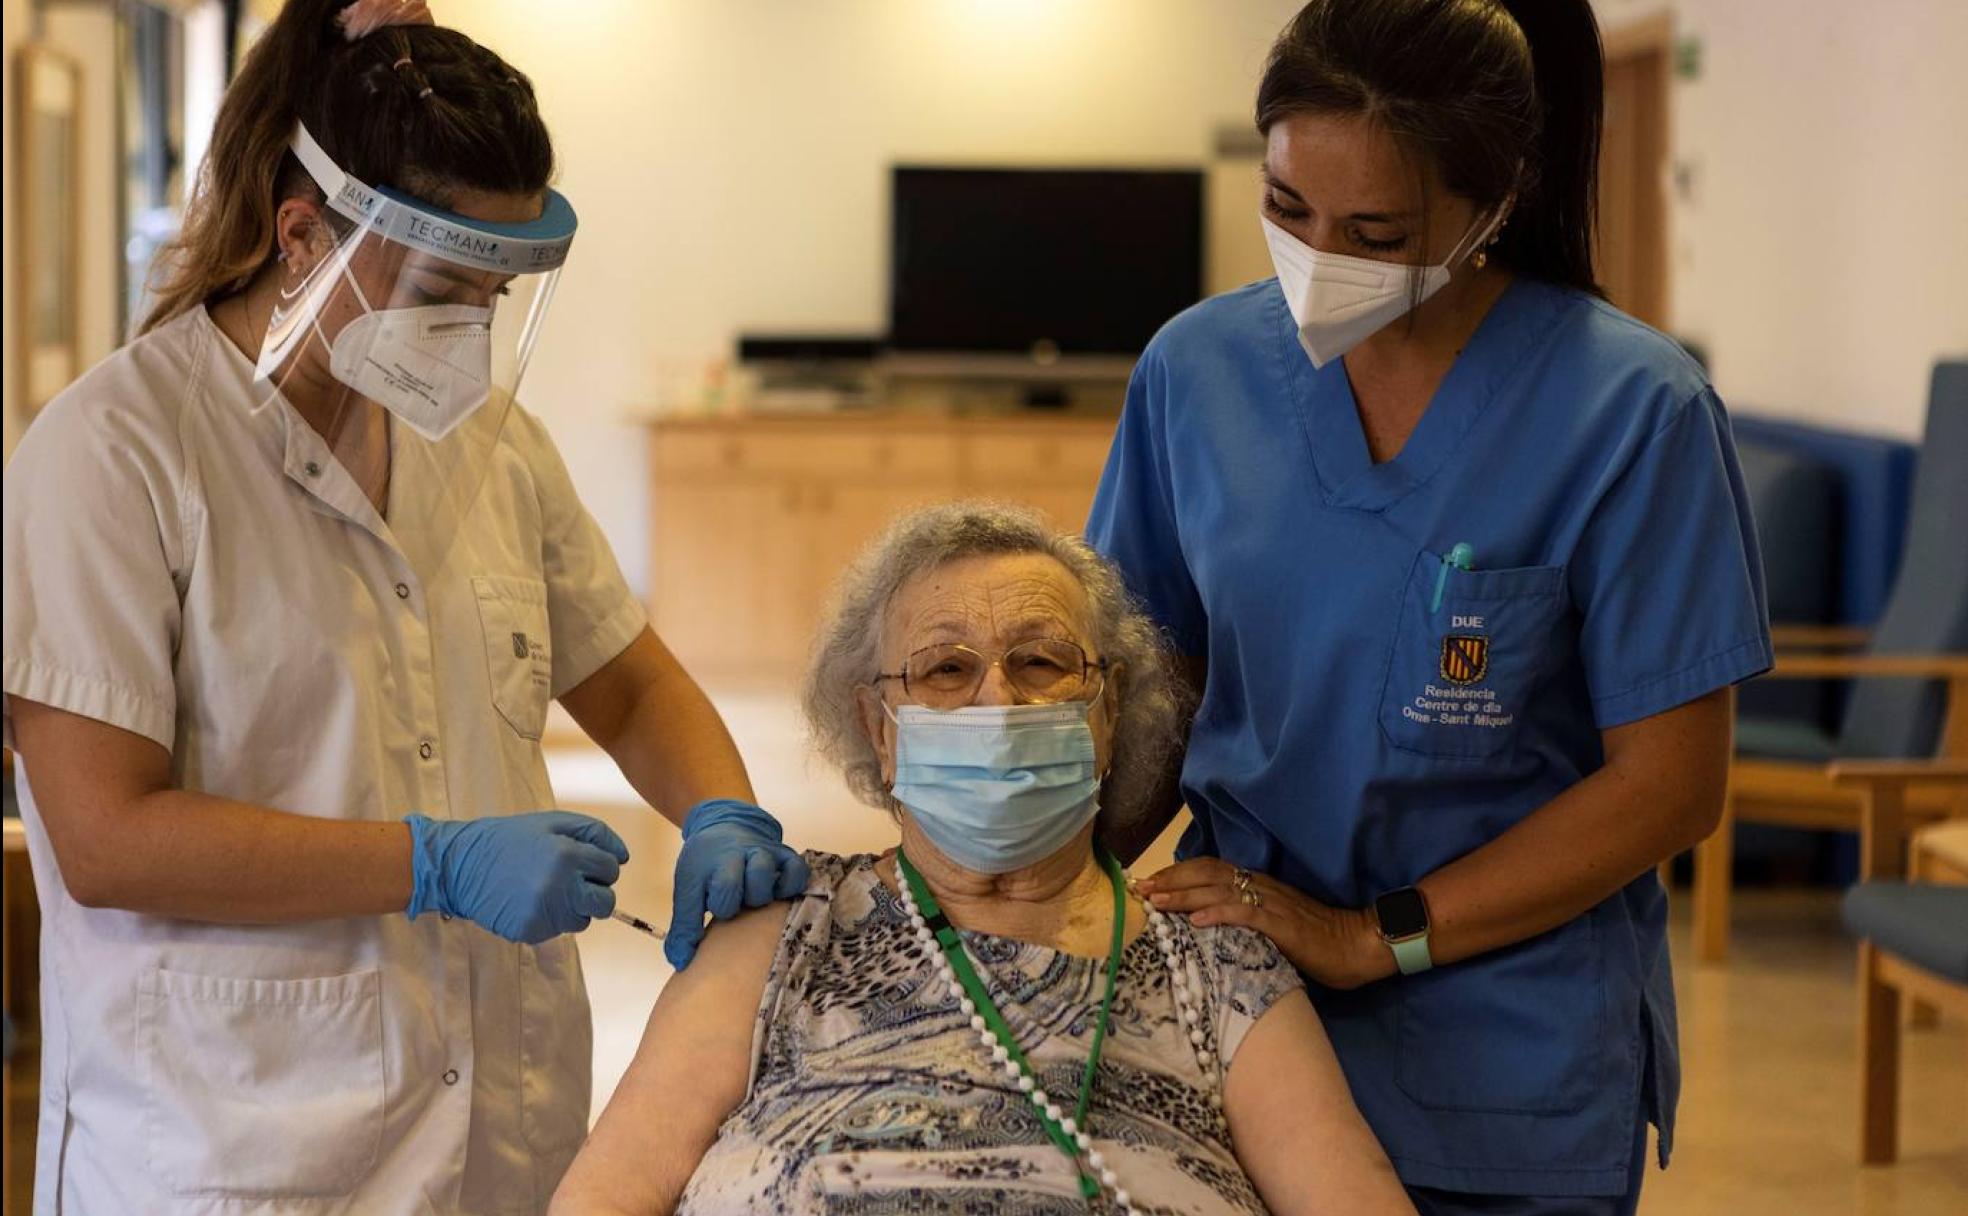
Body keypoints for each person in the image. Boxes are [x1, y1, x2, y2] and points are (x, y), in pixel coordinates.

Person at [0, 1, 804, 1210]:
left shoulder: (488, 442)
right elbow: (105, 836)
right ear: (303, 232)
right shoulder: (116, 455)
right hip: (235, 1146)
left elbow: (626, 677)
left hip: (502, 1132)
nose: (469, 331)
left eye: (494, 294)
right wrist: (430, 863)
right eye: (442, 285)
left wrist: (723, 808)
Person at [1086, 1, 1771, 1213]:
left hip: (1508, 1053)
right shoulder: (1195, 374)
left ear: (1492, 206)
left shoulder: (1632, 414)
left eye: (1376, 231)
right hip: (1235, 1015)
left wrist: (1368, 933)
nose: (1317, 258)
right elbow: (1153, 691)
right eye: (1287, 207)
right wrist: (1030, 879)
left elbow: (1670, 783)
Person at [551, 504, 1415, 1216]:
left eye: (1040, 662)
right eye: (944, 670)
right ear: (880, 729)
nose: (997, 699)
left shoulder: (1217, 966)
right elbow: (608, 1194)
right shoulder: (781, 930)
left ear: (1107, 710)